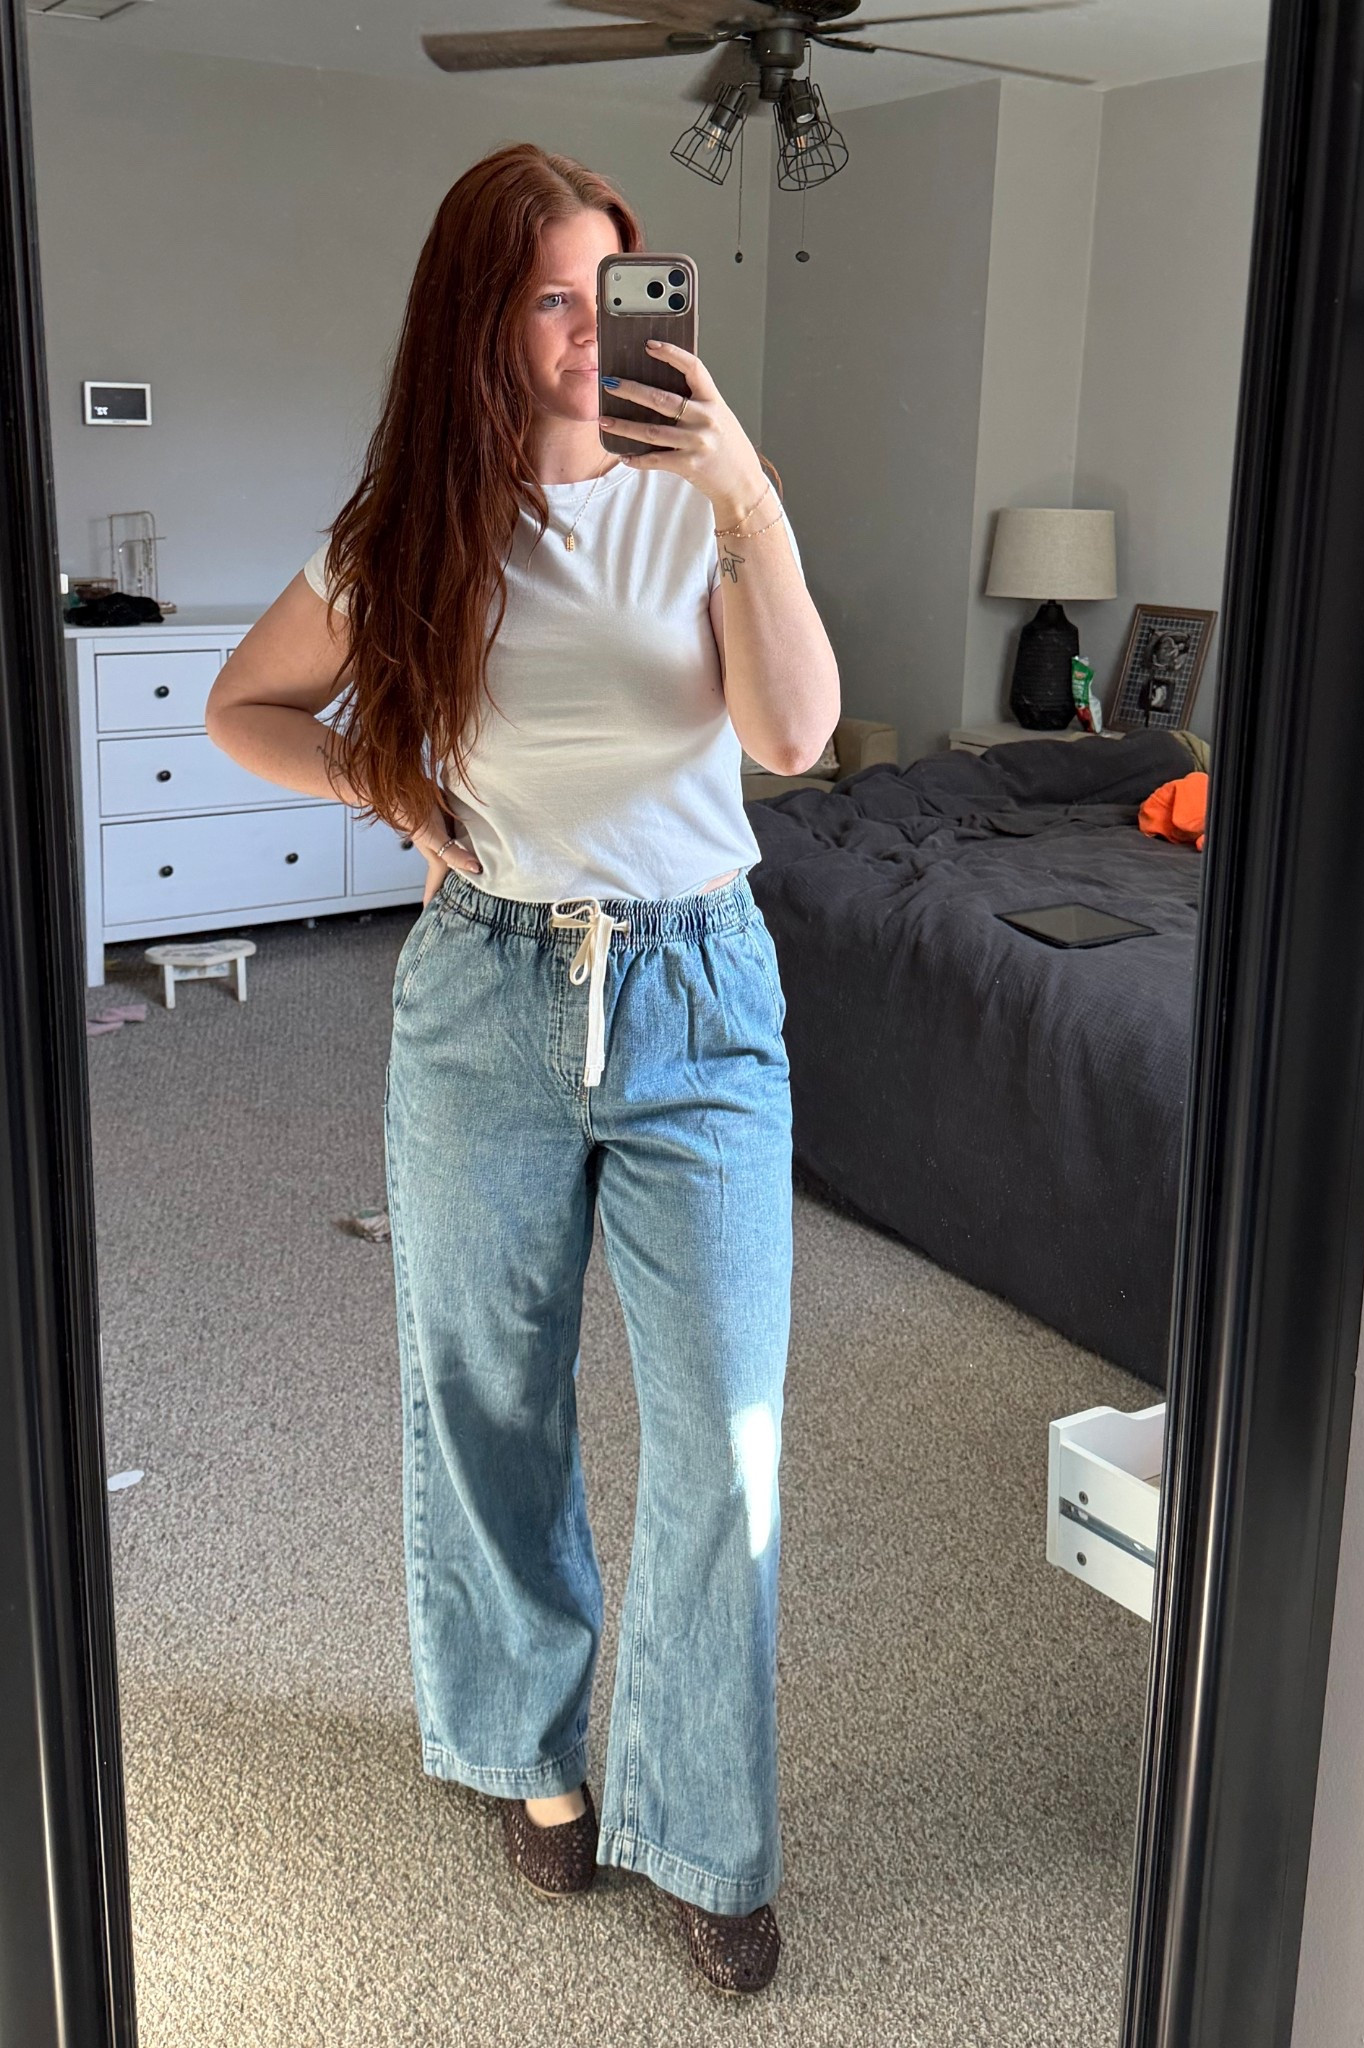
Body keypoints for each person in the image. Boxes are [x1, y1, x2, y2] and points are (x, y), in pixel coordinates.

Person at [205, 141, 839, 1997]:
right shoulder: (407, 522)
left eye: (611, 291)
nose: (586, 332)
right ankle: (524, 1751)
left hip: (696, 993)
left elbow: (795, 732)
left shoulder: (707, 500)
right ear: (475, 319)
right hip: (485, 997)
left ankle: (705, 1825)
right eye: (548, 297)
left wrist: (744, 495)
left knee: (726, 1430)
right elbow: (246, 706)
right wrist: (387, 781)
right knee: (486, 1397)